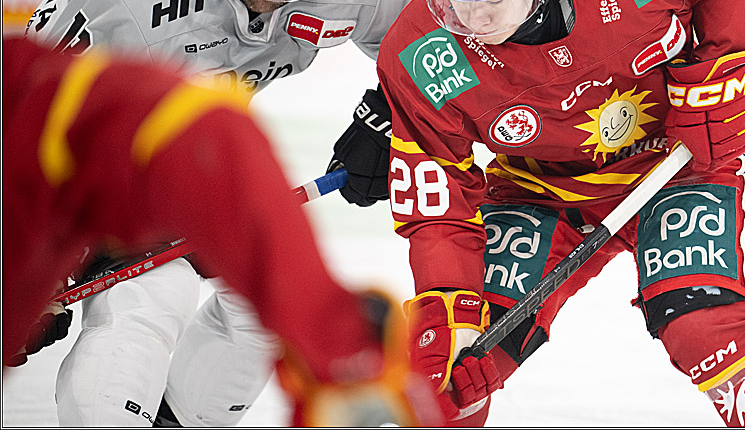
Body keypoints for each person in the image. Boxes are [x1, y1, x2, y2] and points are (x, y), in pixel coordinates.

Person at [375, 0, 745, 427]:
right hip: (539, 188)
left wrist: (714, 87)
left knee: (703, 322)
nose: (472, 19)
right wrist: (451, 311)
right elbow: (439, 201)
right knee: (456, 361)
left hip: (676, 166)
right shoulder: (417, 53)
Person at [23, 0, 421, 426]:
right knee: (149, 301)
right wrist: (37, 256)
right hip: (113, 161)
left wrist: (389, 121)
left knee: (266, 308)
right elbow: (24, 122)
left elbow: (442, 42)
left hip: (213, 151)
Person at [2, 36, 443, 427]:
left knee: (195, 304)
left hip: (143, 202)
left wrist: (334, 337)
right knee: (152, 298)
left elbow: (193, 130)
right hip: (134, 200)